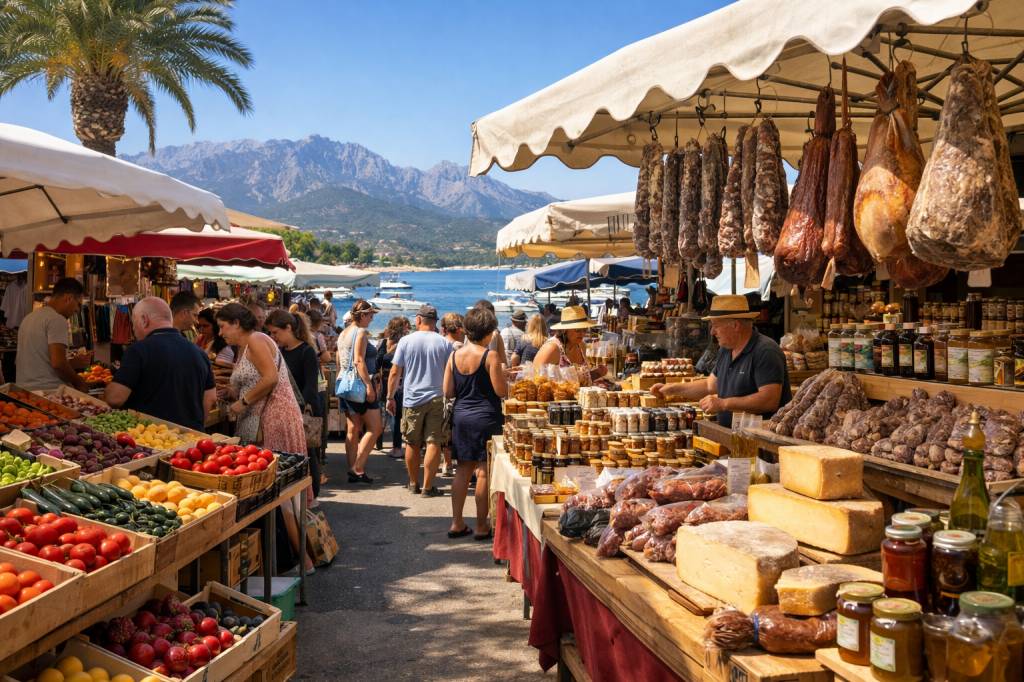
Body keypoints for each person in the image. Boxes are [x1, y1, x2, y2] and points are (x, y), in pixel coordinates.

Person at [651, 295, 791, 428]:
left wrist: (723, 403)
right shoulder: (726, 349)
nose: (712, 332)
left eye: (715, 325)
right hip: (733, 436)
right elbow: (709, 385)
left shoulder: (765, 351)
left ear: (735, 325)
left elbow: (769, 400)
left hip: (760, 442)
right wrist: (672, 388)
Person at [104, 297, 216, 432]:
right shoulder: (200, 353)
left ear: (144, 320)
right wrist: (194, 429)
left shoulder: (139, 350)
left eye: (133, 323)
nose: (133, 329)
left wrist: (107, 391)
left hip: (151, 440)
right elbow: (210, 398)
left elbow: (115, 398)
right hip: (191, 442)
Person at [443, 307, 506, 540]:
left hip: (461, 417)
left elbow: (447, 391)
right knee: (483, 472)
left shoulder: (454, 355)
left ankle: (456, 522)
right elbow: (500, 391)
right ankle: (481, 525)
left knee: (462, 470)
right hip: (486, 417)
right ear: (488, 332)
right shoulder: (489, 355)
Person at [215, 303, 306, 453]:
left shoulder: (256, 339)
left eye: (222, 326)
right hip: (258, 420)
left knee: (272, 469)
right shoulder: (242, 346)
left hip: (273, 418)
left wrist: (243, 402)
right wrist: (230, 392)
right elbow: (253, 380)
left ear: (236, 323)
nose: (219, 333)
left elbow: (271, 378)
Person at [386, 304, 452, 497]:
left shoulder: (406, 341)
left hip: (412, 398)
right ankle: (427, 486)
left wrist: (390, 397)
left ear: (417, 319)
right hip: (437, 398)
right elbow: (450, 372)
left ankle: (414, 483)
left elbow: (395, 372)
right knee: (434, 442)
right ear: (435, 322)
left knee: (412, 443)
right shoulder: (444, 343)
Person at [266, 309, 324, 497]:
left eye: (275, 332)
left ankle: (312, 495)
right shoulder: (279, 352)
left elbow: (310, 386)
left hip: (303, 409)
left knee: (308, 453)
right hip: (286, 411)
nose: (273, 337)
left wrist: (301, 410)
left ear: (288, 327)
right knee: (294, 454)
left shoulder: (306, 351)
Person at [336, 299, 381, 484]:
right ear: (362, 315)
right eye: (370, 315)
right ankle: (358, 468)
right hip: (359, 384)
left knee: (353, 429)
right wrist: (369, 386)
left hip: (343, 383)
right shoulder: (361, 332)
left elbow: (340, 359)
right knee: (375, 428)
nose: (371, 319)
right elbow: (359, 361)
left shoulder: (344, 332)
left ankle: (353, 469)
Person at [15, 277, 88, 391]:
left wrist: (73, 363)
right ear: (68, 298)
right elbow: (58, 364)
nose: (78, 310)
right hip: (48, 392)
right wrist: (79, 381)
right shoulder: (57, 319)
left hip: (24, 390)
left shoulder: (29, 318)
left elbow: (40, 361)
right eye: (78, 304)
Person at [533, 305, 606, 386]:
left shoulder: (581, 346)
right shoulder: (552, 348)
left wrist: (596, 373)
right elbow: (535, 380)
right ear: (564, 330)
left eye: (585, 329)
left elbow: (579, 381)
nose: (582, 334)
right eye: (577, 330)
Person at [378, 316, 410, 460]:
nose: (408, 329)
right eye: (405, 326)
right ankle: (397, 447)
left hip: (388, 381)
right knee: (394, 415)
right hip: (397, 382)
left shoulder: (383, 343)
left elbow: (377, 362)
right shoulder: (403, 344)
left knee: (391, 414)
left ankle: (393, 446)